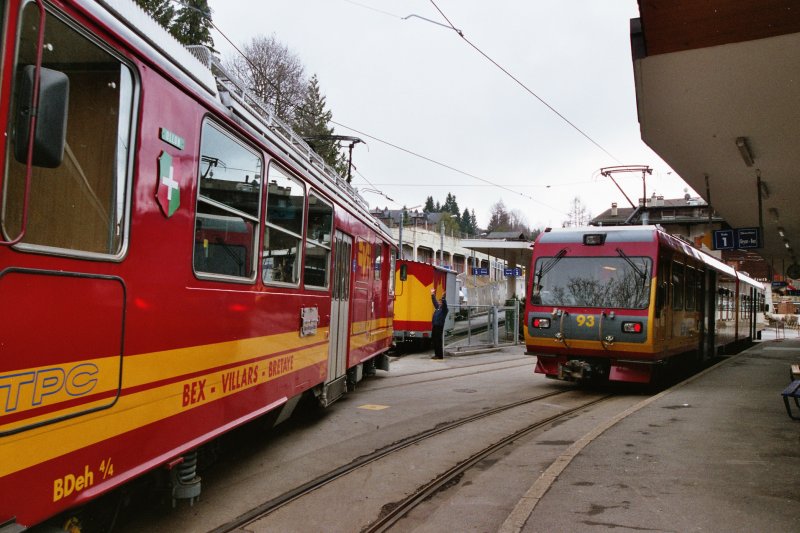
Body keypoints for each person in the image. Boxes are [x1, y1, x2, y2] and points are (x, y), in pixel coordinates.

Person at [430, 289, 448, 359]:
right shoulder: (438, 308)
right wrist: (432, 294)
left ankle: (439, 355)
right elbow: (434, 302)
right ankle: (436, 354)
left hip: (439, 326)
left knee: (438, 340)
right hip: (435, 325)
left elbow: (445, 304)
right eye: (439, 302)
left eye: (441, 302)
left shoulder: (444, 310)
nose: (439, 303)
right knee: (434, 340)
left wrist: (443, 297)